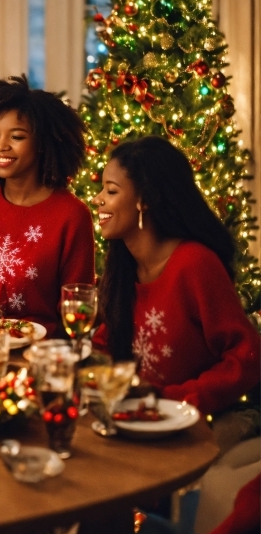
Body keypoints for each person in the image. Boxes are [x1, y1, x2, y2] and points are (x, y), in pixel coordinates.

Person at [93, 135, 260, 416]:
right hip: (143, 416)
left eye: (111, 191)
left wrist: (173, 400)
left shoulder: (194, 264)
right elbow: (106, 343)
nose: (98, 199)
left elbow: (247, 358)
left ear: (143, 200)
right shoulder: (124, 266)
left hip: (200, 422)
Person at [0, 76, 95, 333]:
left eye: (17, 137)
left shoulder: (72, 215)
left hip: (37, 356)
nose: (0, 146)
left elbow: (77, 307)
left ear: (43, 144)